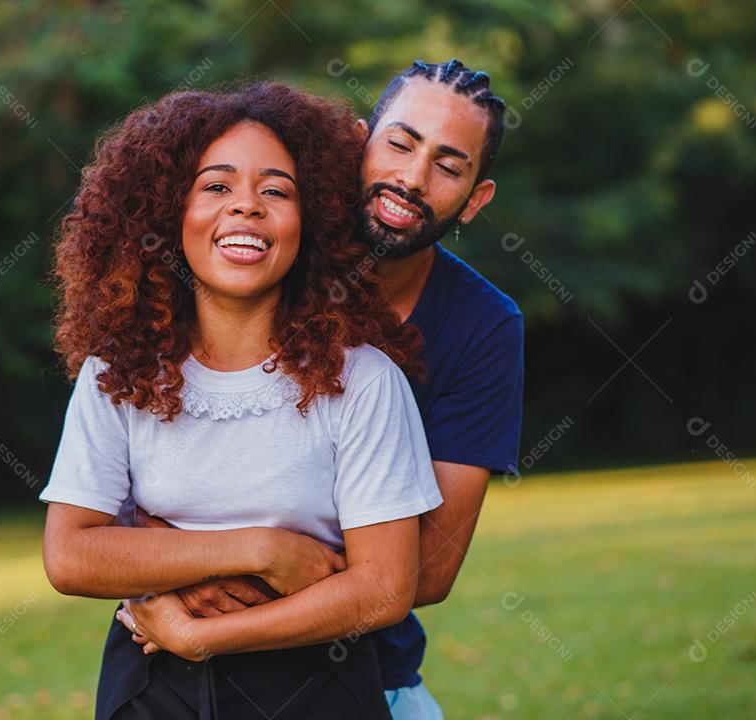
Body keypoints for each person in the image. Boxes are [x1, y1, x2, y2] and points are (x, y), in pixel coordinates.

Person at [124, 59, 524, 720]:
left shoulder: (482, 326)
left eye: (449, 166)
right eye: (400, 144)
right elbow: (115, 491)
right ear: (361, 143)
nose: (411, 178)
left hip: (367, 679)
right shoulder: (256, 253)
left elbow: (431, 569)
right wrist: (228, 561)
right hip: (173, 678)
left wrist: (211, 577)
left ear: (475, 199)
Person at [38, 82, 444, 719]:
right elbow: (71, 555)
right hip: (151, 683)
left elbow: (385, 589)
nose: (246, 208)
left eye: (276, 191)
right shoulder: (114, 375)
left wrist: (202, 635)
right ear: (168, 214)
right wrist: (261, 550)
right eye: (217, 186)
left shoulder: (364, 382)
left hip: (321, 688)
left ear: (311, 223)